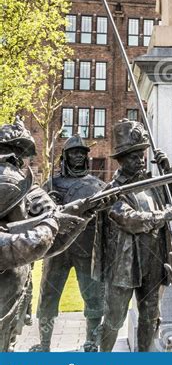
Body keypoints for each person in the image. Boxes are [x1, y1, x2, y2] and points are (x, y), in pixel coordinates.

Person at [92, 119, 172, 352]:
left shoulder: (154, 184)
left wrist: (168, 168)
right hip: (124, 265)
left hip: (154, 261)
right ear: (121, 160)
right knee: (114, 318)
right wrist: (162, 216)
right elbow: (128, 219)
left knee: (150, 317)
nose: (140, 160)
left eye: (142, 155)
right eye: (133, 156)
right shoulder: (112, 191)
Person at [0, 133, 93, 352]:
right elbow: (33, 241)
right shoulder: (11, 183)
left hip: (16, 291)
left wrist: (80, 215)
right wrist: (51, 222)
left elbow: (50, 237)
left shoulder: (26, 188)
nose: (18, 161)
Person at [30, 134, 105, 352]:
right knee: (48, 297)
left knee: (92, 297)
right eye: (74, 153)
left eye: (82, 153)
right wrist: (48, 205)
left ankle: (91, 342)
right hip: (56, 250)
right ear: (65, 157)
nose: (79, 156)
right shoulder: (51, 184)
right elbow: (35, 214)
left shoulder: (97, 185)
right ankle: (44, 344)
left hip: (86, 247)